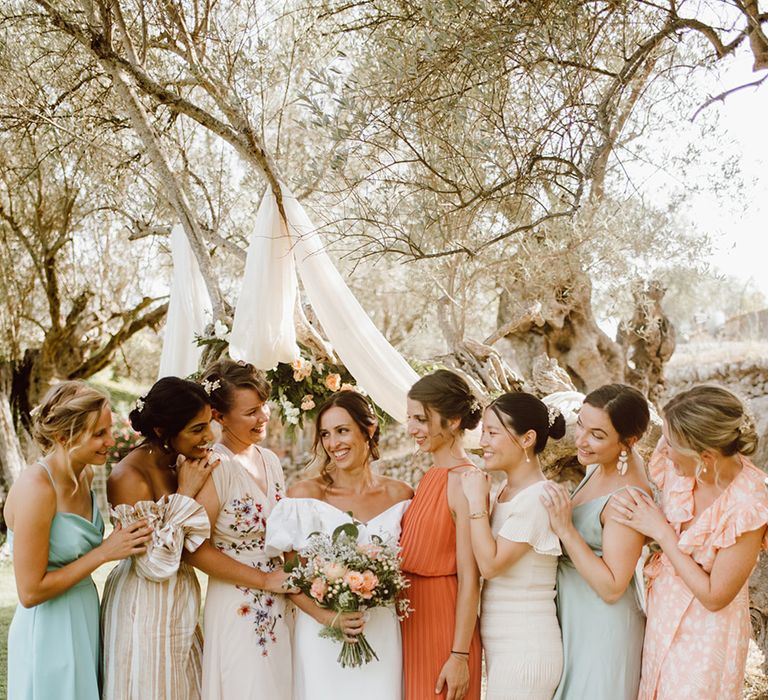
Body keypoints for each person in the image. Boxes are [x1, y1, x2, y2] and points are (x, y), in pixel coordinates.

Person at [613, 385, 768, 699]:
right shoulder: (678, 459)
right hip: (661, 613)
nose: (663, 450)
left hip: (707, 633)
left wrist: (661, 533)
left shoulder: (748, 505)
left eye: (670, 445)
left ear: (706, 457)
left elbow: (715, 597)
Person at [5, 381, 151, 700]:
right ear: (63, 437)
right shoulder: (37, 488)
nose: (110, 441)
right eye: (99, 433)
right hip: (48, 629)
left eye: (109, 430)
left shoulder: (84, 475)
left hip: (84, 615)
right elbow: (29, 592)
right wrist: (104, 552)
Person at [265, 389, 413, 700]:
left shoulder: (401, 495)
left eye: (343, 430)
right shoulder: (305, 495)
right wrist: (327, 617)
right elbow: (291, 575)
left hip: (381, 630)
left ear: (368, 430)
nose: (334, 444)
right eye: (326, 434)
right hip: (321, 635)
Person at [101, 377, 216, 700]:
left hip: (179, 601)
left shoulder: (178, 462)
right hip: (145, 606)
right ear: (164, 431)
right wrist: (186, 493)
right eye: (197, 429)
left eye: (208, 424)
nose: (208, 436)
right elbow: (154, 564)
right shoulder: (129, 477)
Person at [188, 358, 295, 700]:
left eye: (263, 406)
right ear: (218, 417)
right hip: (240, 604)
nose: (263, 417)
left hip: (284, 600)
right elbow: (194, 549)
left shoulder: (270, 460)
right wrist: (264, 580)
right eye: (251, 412)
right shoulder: (214, 466)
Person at [541, 383, 651, 700]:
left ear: (628, 441)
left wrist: (566, 530)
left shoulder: (627, 498)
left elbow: (613, 585)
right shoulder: (601, 466)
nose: (582, 440)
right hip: (578, 619)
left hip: (602, 629)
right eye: (582, 425)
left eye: (597, 435)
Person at [461, 392, 566, 700]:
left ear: (527, 438)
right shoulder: (507, 491)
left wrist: (474, 502)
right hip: (506, 646)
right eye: (483, 432)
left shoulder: (538, 497)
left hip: (526, 648)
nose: (483, 442)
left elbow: (491, 565)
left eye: (493, 432)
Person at [400, 369, 483, 700]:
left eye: (421, 419)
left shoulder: (466, 482)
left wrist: (459, 655)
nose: (411, 429)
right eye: (409, 418)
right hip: (411, 621)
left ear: (453, 421)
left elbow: (470, 578)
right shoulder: (431, 475)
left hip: (443, 625)